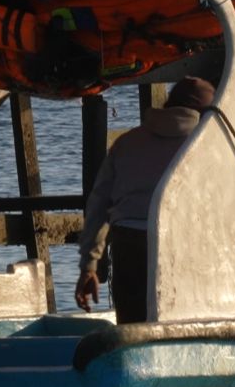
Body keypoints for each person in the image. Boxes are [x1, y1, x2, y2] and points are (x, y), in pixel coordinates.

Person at [75, 74, 215, 324]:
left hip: (128, 246)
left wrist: (89, 266)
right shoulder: (205, 145)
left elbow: (98, 206)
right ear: (206, 113)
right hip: (179, 247)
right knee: (182, 328)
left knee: (132, 330)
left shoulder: (126, 143)